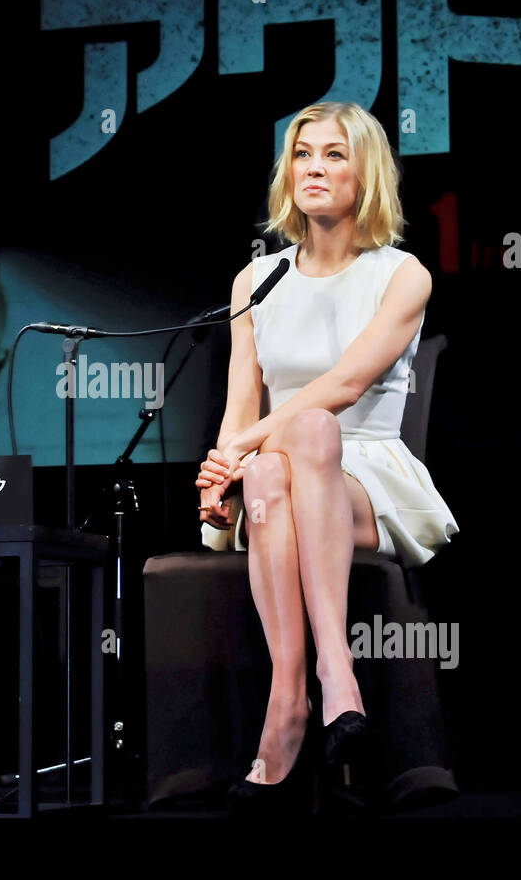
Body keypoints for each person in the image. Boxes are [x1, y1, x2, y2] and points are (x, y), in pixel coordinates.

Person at [195, 102, 459, 812]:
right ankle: (306, 696)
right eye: (303, 154)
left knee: (312, 432)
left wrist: (241, 452)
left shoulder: (402, 275)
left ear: (365, 171)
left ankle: (318, 685)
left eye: (335, 154)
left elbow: (343, 388)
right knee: (283, 462)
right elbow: (239, 406)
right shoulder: (256, 282)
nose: (315, 167)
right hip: (272, 473)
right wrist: (221, 468)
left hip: (368, 476)